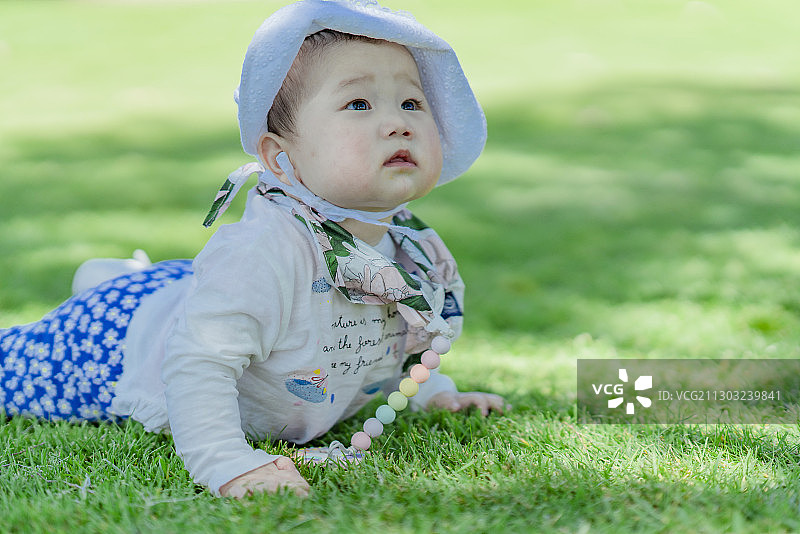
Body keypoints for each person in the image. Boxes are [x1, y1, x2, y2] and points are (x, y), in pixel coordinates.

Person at [0, 0, 506, 498]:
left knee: (195, 292)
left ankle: (124, 275)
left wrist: (435, 392)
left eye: (412, 103)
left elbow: (400, 338)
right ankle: (111, 284)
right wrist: (227, 461)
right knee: (15, 366)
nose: (399, 123)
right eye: (358, 104)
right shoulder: (261, 253)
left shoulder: (411, 247)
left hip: (200, 295)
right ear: (281, 157)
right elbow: (200, 362)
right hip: (122, 340)